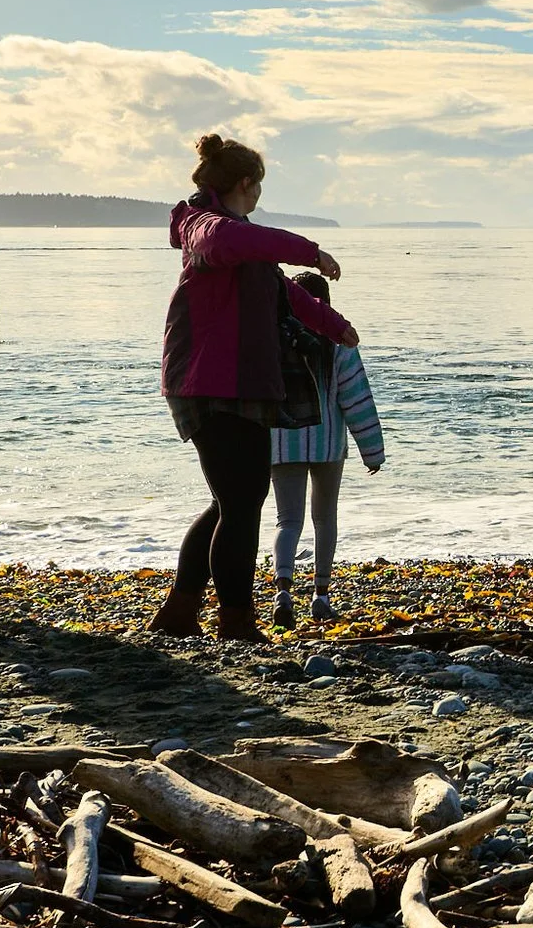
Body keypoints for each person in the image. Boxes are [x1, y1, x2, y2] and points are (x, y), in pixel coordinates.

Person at [154, 134, 355, 642]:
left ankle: (182, 611)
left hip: (235, 381)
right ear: (247, 184)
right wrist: (311, 251)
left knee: (232, 500)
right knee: (242, 500)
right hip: (209, 383)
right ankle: (236, 620)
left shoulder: (239, 237)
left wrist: (333, 326)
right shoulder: (206, 226)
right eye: (259, 186)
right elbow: (230, 242)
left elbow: (282, 291)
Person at [268, 270, 385, 628]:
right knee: (324, 520)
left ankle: (282, 592)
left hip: (282, 442)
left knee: (287, 521)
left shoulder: (271, 339)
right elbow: (357, 399)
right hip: (328, 445)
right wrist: (373, 451)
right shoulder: (339, 344)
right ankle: (320, 596)